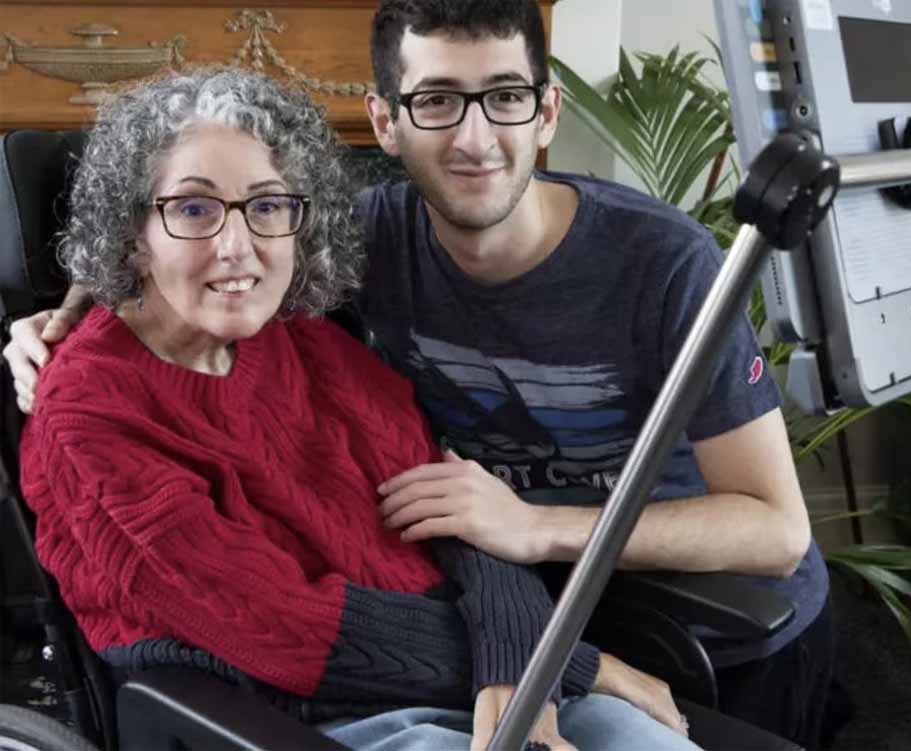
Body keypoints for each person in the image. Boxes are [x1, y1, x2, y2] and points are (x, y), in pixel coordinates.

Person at [4, 0, 835, 747]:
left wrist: (533, 638)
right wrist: (70, 308)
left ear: (546, 112)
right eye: (436, 100)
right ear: (387, 121)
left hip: (565, 618)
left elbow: (465, 503)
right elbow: (280, 621)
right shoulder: (99, 407)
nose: (238, 246)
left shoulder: (313, 328)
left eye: (267, 206)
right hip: (354, 696)